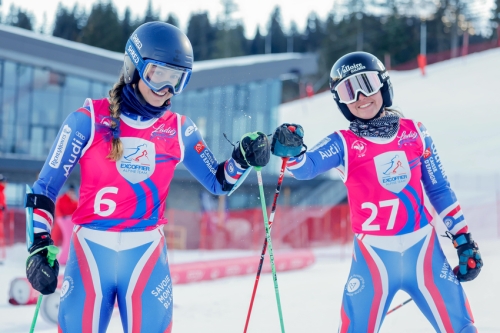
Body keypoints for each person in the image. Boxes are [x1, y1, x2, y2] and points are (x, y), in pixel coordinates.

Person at [24, 22, 270, 333]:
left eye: (176, 80)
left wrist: (242, 158)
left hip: (146, 255)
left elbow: (219, 182)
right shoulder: (87, 120)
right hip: (89, 251)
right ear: (135, 68)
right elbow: (44, 189)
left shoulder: (180, 129)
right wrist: (39, 245)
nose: (166, 89)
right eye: (158, 75)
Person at [271, 51, 483, 333]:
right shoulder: (343, 143)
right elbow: (306, 167)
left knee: (463, 329)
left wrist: (463, 239)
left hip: (424, 253)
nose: (360, 96)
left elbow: (440, 190)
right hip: (373, 260)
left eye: (367, 84)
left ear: (383, 85)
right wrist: (292, 150)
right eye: (349, 90)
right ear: (341, 101)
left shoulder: (416, 133)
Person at [53, 184, 79, 264]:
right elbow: (58, 208)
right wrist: (61, 216)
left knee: (68, 238)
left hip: (69, 222)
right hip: (61, 220)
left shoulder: (74, 200)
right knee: (55, 238)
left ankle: (63, 258)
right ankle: (52, 256)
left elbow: (77, 209)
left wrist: (75, 201)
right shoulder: (62, 198)